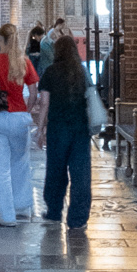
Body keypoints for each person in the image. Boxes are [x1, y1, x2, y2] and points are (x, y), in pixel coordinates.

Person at [0, 21, 38, 224]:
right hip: (20, 117)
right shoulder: (24, 62)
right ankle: (21, 207)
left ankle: (6, 216)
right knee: (20, 164)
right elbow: (34, 92)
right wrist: (25, 111)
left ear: (0, 40)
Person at [39, 30, 93, 229]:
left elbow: (44, 103)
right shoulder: (82, 70)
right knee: (80, 173)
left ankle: (54, 212)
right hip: (80, 128)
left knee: (55, 170)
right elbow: (90, 98)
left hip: (58, 128)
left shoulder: (51, 71)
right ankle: (78, 219)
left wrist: (40, 129)